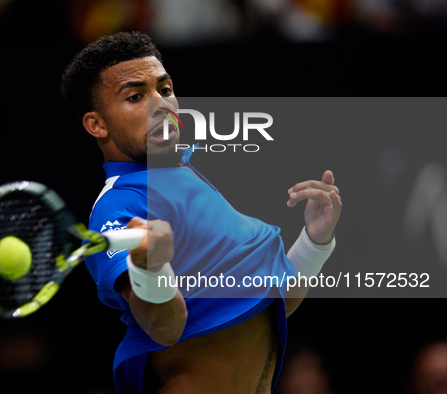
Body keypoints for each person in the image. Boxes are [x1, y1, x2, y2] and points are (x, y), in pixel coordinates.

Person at [60, 31, 342, 394]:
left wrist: (316, 241)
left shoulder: (190, 174)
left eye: (164, 89)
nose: (160, 104)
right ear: (97, 124)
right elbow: (164, 328)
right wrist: (152, 268)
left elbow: (272, 301)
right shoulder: (119, 206)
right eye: (135, 96)